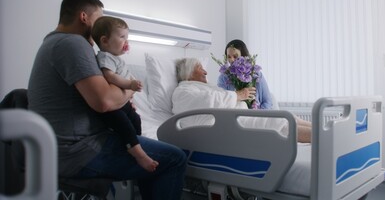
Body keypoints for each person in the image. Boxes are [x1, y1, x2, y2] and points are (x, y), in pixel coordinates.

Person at [27, 0, 186, 199]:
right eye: (99, 19)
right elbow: (105, 101)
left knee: (149, 152)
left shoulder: (51, 44)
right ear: (84, 17)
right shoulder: (73, 43)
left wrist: (122, 96)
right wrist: (130, 88)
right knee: (175, 158)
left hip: (59, 149)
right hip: (78, 151)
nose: (101, 25)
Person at [172, 58, 312, 143]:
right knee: (277, 123)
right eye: (200, 68)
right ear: (188, 73)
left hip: (234, 120)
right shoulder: (183, 92)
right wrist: (238, 95)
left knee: (284, 115)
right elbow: (208, 101)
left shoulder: (202, 88)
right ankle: (322, 137)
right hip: (222, 128)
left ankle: (319, 128)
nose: (205, 72)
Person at [91, 16, 158, 172]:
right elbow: (110, 77)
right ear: (105, 40)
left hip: (123, 103)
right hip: (114, 108)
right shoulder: (105, 57)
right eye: (122, 37)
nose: (126, 42)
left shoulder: (116, 58)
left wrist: (130, 96)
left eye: (127, 38)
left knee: (135, 119)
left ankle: (137, 141)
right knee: (124, 124)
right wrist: (130, 85)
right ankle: (137, 153)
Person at [218, 39, 274, 109]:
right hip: (234, 116)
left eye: (235, 56)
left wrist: (258, 116)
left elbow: (267, 102)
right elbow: (222, 102)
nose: (231, 60)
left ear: (243, 56)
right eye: (229, 56)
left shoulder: (257, 75)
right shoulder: (223, 78)